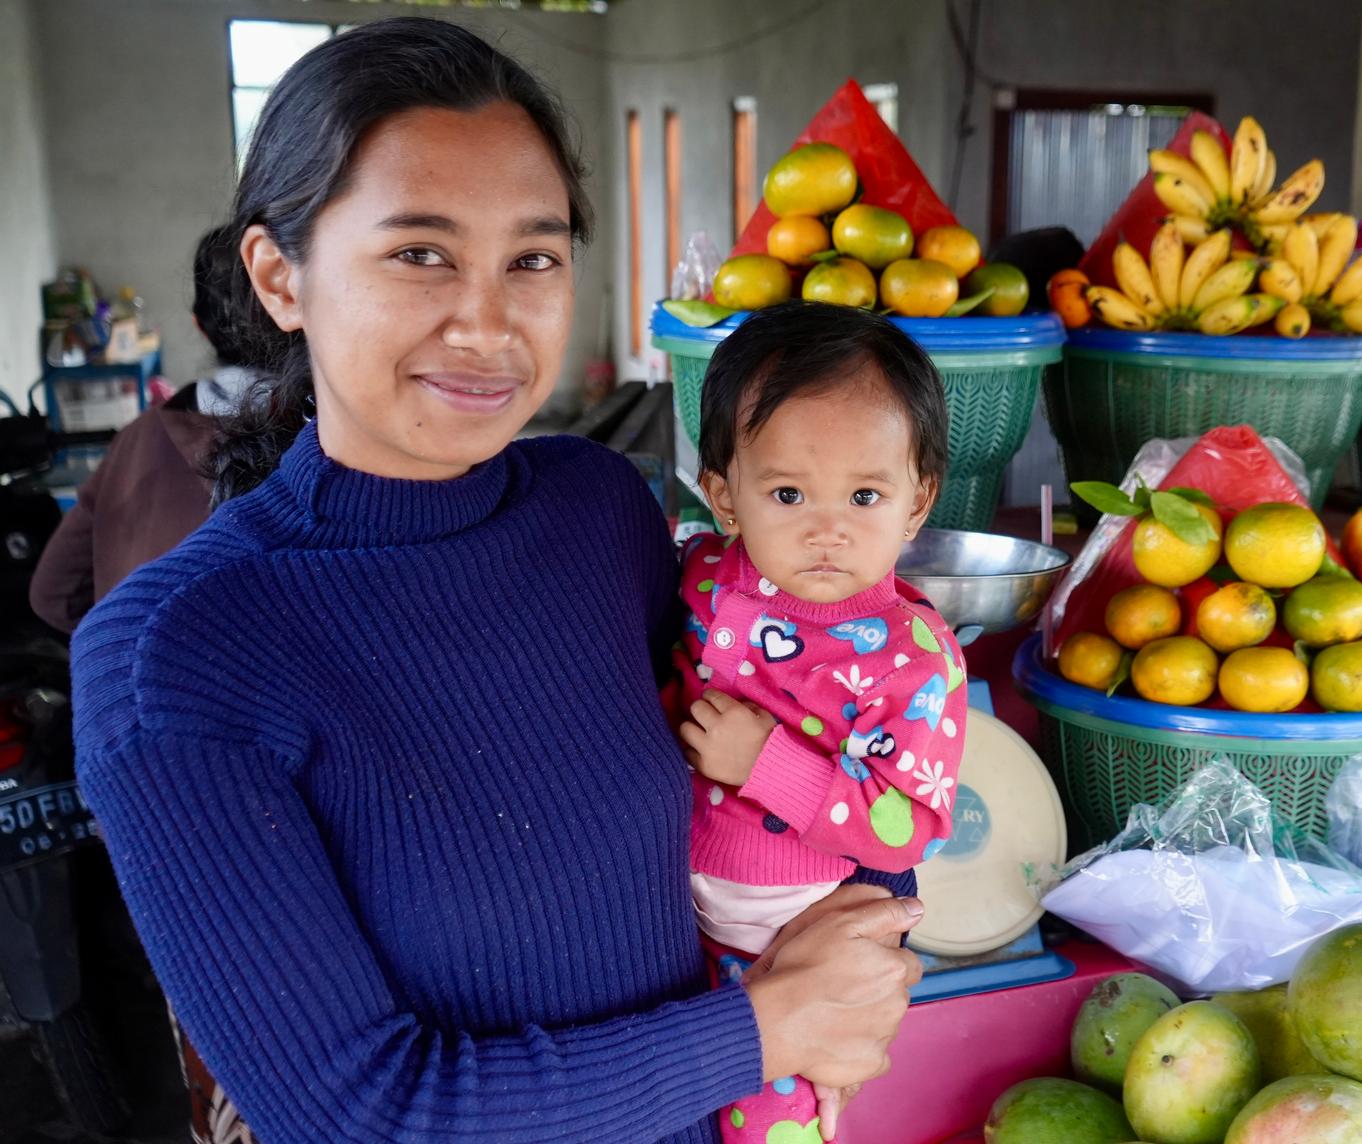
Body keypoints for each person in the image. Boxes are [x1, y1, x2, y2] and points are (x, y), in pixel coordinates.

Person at [70, 18, 919, 1144]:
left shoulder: (599, 511)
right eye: (420, 253)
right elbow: (360, 1114)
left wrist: (869, 946)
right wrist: (768, 1029)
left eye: (532, 256)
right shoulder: (177, 658)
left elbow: (811, 710)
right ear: (279, 276)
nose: (486, 323)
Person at [663, 302, 966, 1140]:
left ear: (916, 503)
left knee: (778, 1116)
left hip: (796, 933)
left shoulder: (914, 659)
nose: (828, 529)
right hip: (667, 915)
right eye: (788, 492)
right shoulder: (699, 573)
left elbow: (910, 826)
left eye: (866, 494)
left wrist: (767, 763)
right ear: (724, 495)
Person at [28, 228, 264, 632]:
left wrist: (126, 649)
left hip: (130, 688)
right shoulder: (325, 443)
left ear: (199, 327)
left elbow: (53, 593)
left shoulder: (137, 437)